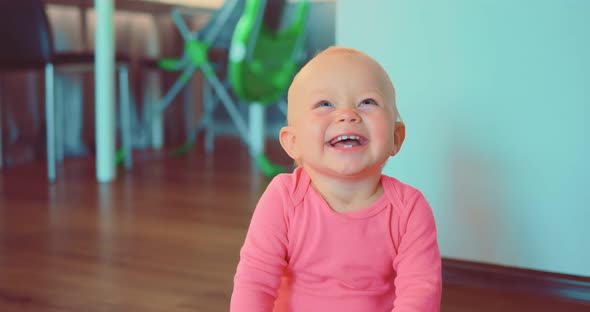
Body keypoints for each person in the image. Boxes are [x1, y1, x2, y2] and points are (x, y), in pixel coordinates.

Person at [230, 46, 441, 311]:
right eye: (325, 104)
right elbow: (255, 281)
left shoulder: (409, 209)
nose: (348, 114)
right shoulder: (283, 199)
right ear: (292, 142)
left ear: (396, 138)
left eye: (367, 102)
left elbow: (420, 293)